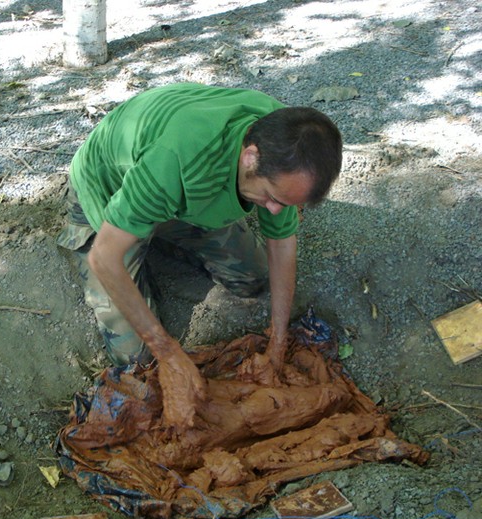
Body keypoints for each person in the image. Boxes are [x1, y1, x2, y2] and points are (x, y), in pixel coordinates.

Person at [57, 82, 342, 427]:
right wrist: (168, 351)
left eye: (287, 203)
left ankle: (157, 232)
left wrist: (278, 341)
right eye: (271, 198)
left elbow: (282, 243)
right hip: (110, 192)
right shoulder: (178, 159)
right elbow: (104, 257)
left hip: (178, 191)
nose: (275, 211)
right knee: (138, 362)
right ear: (251, 157)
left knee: (253, 278)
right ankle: (143, 236)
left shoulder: (287, 144)